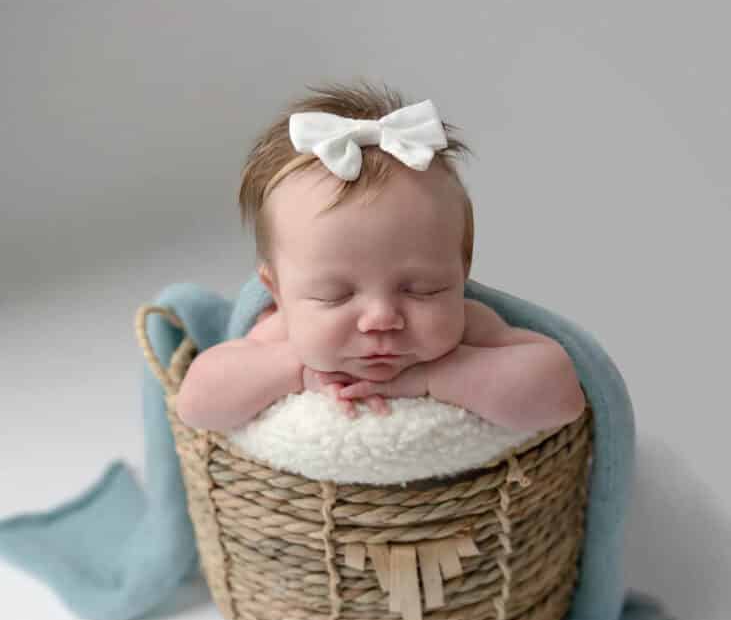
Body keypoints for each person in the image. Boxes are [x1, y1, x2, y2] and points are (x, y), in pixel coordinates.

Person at [175, 82, 585, 432]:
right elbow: (195, 404)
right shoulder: (281, 332)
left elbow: (562, 395)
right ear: (277, 291)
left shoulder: (471, 327)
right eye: (334, 296)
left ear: (461, 275)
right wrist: (299, 370)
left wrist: (436, 376)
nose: (381, 319)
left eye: (422, 290)